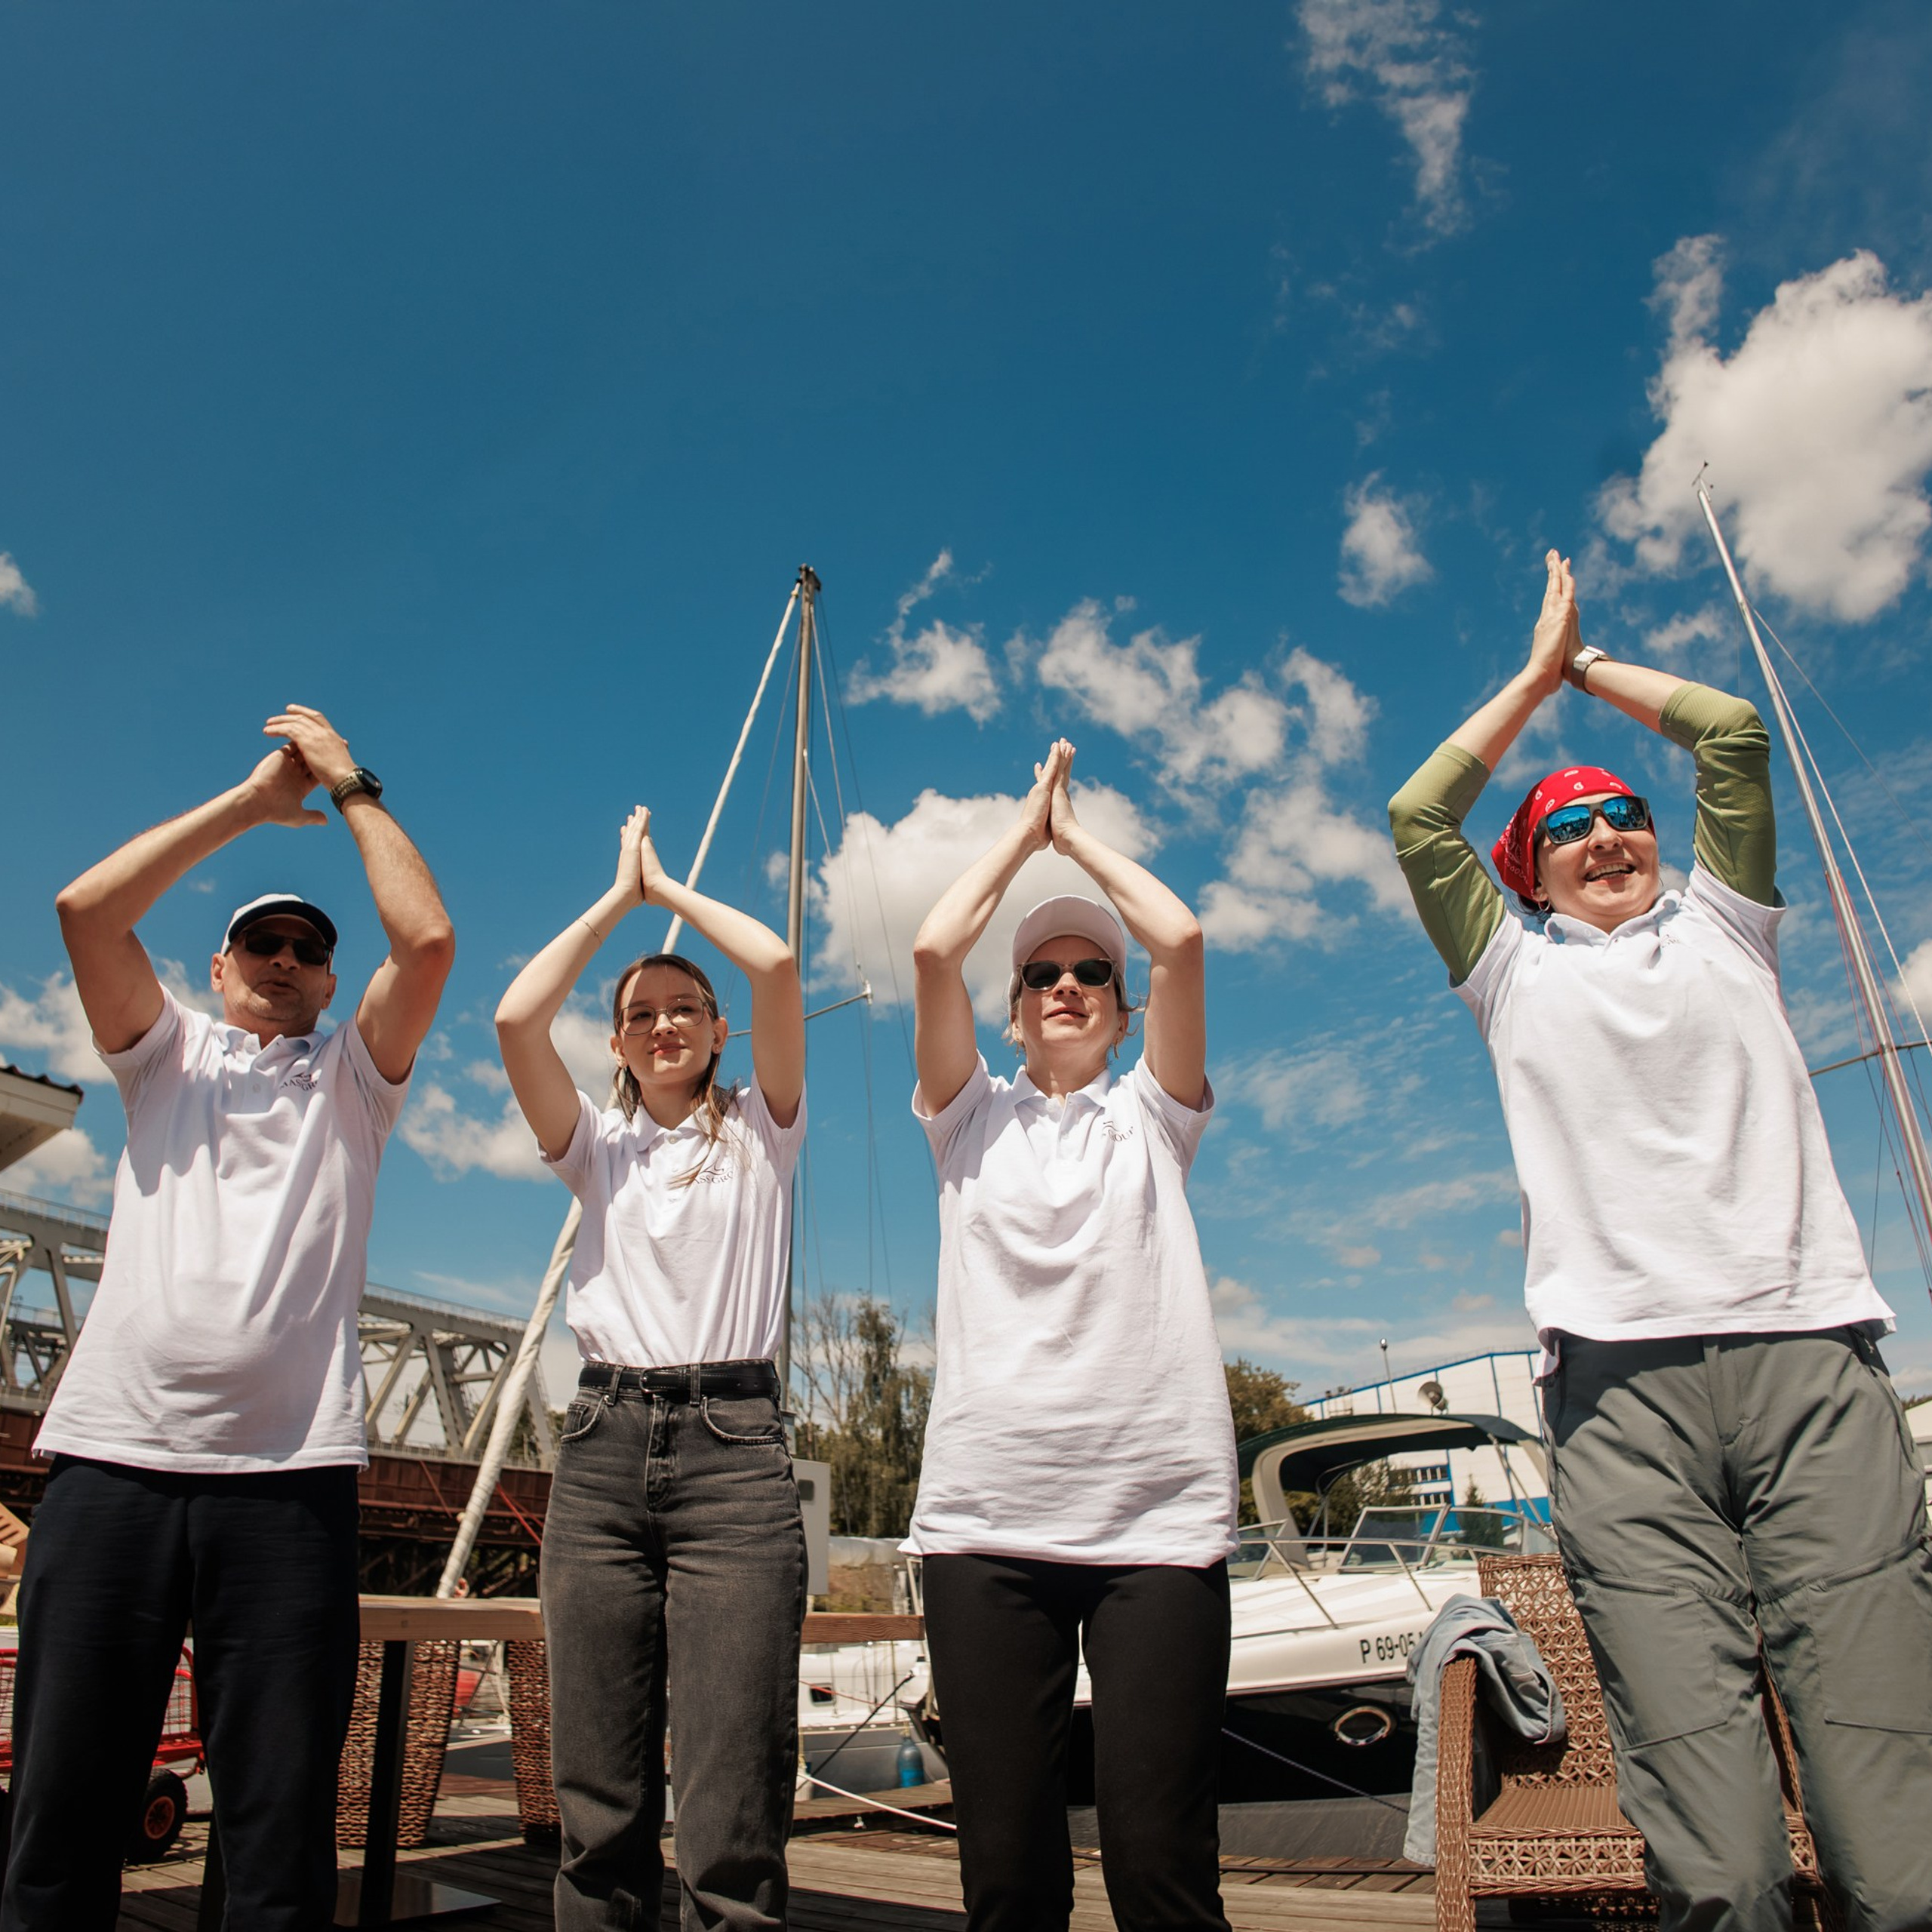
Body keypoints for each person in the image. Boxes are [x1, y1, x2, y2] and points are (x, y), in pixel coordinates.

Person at [1388, 552, 1932, 1932]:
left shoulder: (1731, 931)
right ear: (1527, 873)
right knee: (1723, 1867)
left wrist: (1592, 671)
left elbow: (1734, 735)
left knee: (1896, 1847)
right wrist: (1529, 679)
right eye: (1572, 828)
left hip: (1813, 1369)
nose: (1611, 835)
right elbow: (1417, 813)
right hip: (1621, 1409)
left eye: (1627, 812)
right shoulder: (1509, 972)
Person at [7, 706, 454, 1932]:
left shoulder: (354, 1083)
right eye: (260, 944)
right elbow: (85, 913)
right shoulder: (167, 1060)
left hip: (288, 1484)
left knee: (275, 1832)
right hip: (111, 1469)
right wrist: (254, 809)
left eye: (307, 951)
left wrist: (351, 786)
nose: (285, 962)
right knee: (60, 1816)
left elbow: (426, 943)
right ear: (214, 971)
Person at [905, 739, 1236, 1932]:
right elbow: (934, 947)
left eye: (1092, 970)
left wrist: (1077, 838)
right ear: (1010, 1009)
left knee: (1161, 1871)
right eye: (1042, 971)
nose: (1066, 986)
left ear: (1121, 1002)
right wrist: (1023, 830)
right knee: (1009, 1878)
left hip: (1158, 1528)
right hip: (988, 1530)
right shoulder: (965, 1121)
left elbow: (1185, 939)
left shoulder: (1157, 1114)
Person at [495, 805, 806, 1932]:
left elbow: (773, 960)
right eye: (639, 1016)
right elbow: (514, 1015)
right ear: (617, 1045)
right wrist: (612, 905)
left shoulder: (766, 1131)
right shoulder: (597, 1148)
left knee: (733, 1805)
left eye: (684, 1009)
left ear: (720, 1031)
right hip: (604, 1452)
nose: (663, 1024)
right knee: (599, 1799)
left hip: (735, 1456)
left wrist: (666, 891)